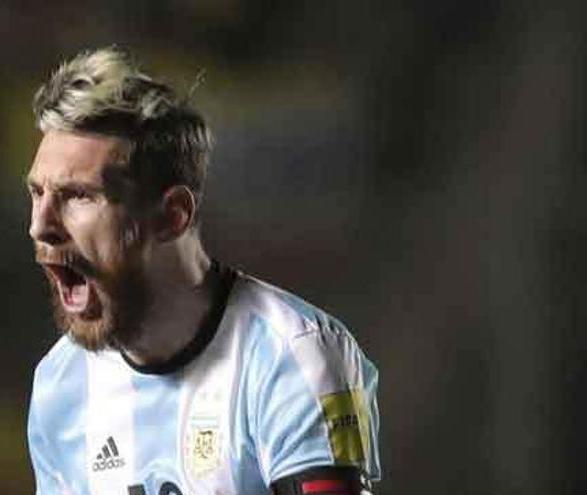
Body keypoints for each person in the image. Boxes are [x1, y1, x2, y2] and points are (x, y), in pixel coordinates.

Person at [25, 46, 380, 495]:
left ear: (172, 215)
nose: (40, 225)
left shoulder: (294, 357)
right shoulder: (60, 387)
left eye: (78, 196)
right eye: (37, 193)